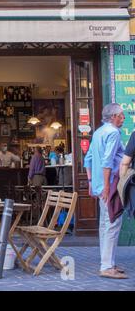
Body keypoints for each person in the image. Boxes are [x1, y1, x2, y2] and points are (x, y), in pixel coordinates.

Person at [84, 103, 127, 279]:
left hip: (100, 185)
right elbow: (108, 161)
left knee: (105, 224)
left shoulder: (98, 132)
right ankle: (107, 266)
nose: (123, 118)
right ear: (113, 116)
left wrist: (90, 182)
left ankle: (107, 262)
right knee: (113, 223)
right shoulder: (114, 133)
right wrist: (108, 187)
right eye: (121, 115)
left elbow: (88, 159)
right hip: (110, 185)